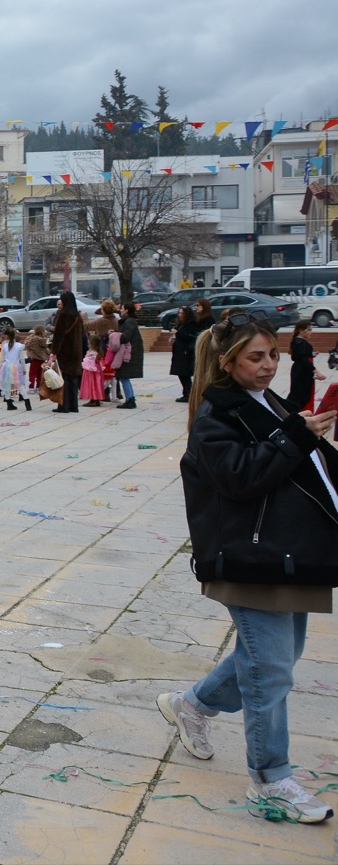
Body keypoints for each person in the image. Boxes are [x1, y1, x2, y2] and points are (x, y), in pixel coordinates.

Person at [158, 312, 338, 824]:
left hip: (290, 555)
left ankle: (192, 705)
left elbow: (303, 471)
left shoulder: (269, 403)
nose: (268, 365)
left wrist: (308, 435)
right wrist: (296, 437)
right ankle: (271, 779)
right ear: (227, 361)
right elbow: (239, 478)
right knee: (270, 671)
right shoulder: (217, 416)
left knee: (271, 660)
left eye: (273, 355)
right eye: (255, 357)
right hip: (248, 558)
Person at [50, 292, 86, 414]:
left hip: (65, 351)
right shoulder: (78, 316)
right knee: (73, 379)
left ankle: (63, 405)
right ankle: (73, 406)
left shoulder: (63, 315)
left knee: (63, 379)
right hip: (76, 352)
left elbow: (59, 335)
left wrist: (54, 351)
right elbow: (83, 335)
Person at [171, 305, 210, 403]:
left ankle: (189, 394)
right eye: (179, 313)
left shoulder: (192, 324)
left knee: (184, 373)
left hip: (186, 352)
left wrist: (177, 333)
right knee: (181, 374)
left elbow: (190, 337)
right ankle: (187, 393)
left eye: (182, 313)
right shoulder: (180, 324)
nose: (180, 315)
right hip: (179, 351)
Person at [287, 318, 323, 415]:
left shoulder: (297, 341)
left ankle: (292, 412)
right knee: (301, 395)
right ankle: (293, 413)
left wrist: (311, 354)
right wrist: (317, 372)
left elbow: (297, 356)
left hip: (299, 370)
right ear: (301, 330)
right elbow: (304, 360)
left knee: (297, 394)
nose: (311, 332)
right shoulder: (301, 343)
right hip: (302, 372)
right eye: (309, 330)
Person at [115, 300, 145, 409]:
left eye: (122, 308)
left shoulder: (128, 322)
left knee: (124, 376)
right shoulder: (129, 321)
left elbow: (125, 337)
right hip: (130, 353)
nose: (121, 310)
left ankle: (130, 400)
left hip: (128, 354)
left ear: (126, 310)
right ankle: (130, 398)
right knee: (124, 376)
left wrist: (115, 335)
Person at [0, 327, 30, 412]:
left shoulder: (4, 346)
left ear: (6, 336)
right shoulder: (19, 346)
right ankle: (27, 403)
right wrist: (24, 369)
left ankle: (9, 404)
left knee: (7, 385)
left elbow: (2, 359)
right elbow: (22, 359)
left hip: (6, 367)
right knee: (20, 384)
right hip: (16, 367)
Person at [81, 335, 106, 406]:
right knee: (96, 384)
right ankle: (96, 399)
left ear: (93, 344)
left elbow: (90, 361)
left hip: (92, 370)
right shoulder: (98, 351)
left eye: (89, 343)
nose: (88, 344)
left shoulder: (92, 352)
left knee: (92, 384)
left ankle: (93, 399)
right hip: (96, 369)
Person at [24, 325, 49, 396]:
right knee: (40, 374)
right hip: (43, 359)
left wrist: (29, 338)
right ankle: (38, 387)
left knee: (32, 374)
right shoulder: (45, 340)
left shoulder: (34, 339)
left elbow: (27, 345)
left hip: (35, 359)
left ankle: (31, 387)